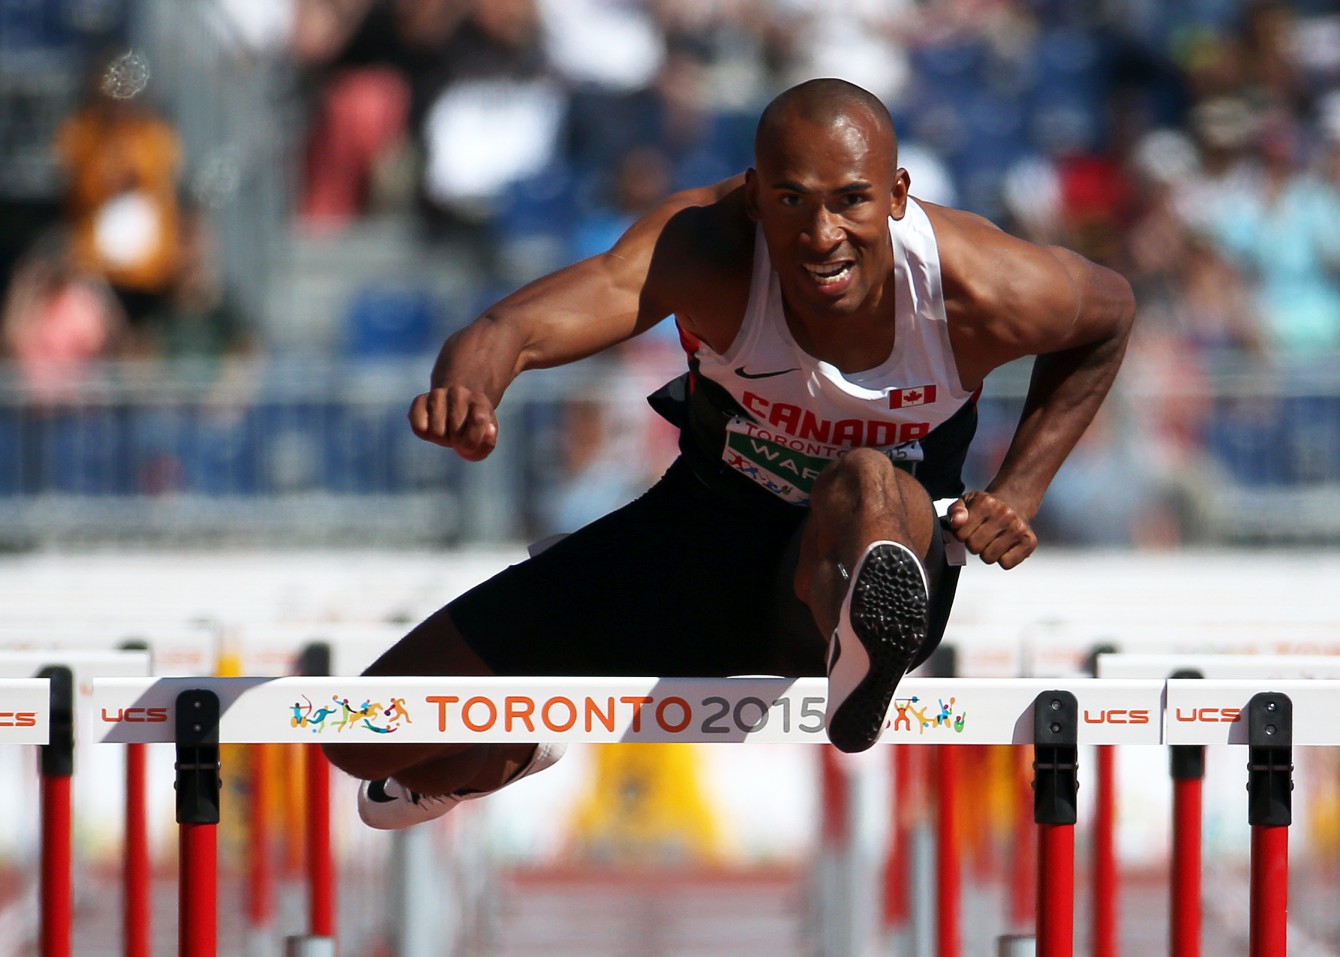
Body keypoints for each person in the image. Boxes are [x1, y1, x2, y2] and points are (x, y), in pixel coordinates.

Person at [323, 77, 1135, 830]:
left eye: (850, 202)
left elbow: (1109, 315)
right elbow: (516, 327)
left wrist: (1020, 489)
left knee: (865, 477)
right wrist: (469, 385)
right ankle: (516, 746)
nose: (822, 237)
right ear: (754, 198)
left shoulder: (984, 286)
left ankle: (858, 648)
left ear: (896, 195)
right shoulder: (705, 252)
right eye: (792, 202)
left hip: (853, 561)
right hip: (693, 543)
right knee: (362, 734)